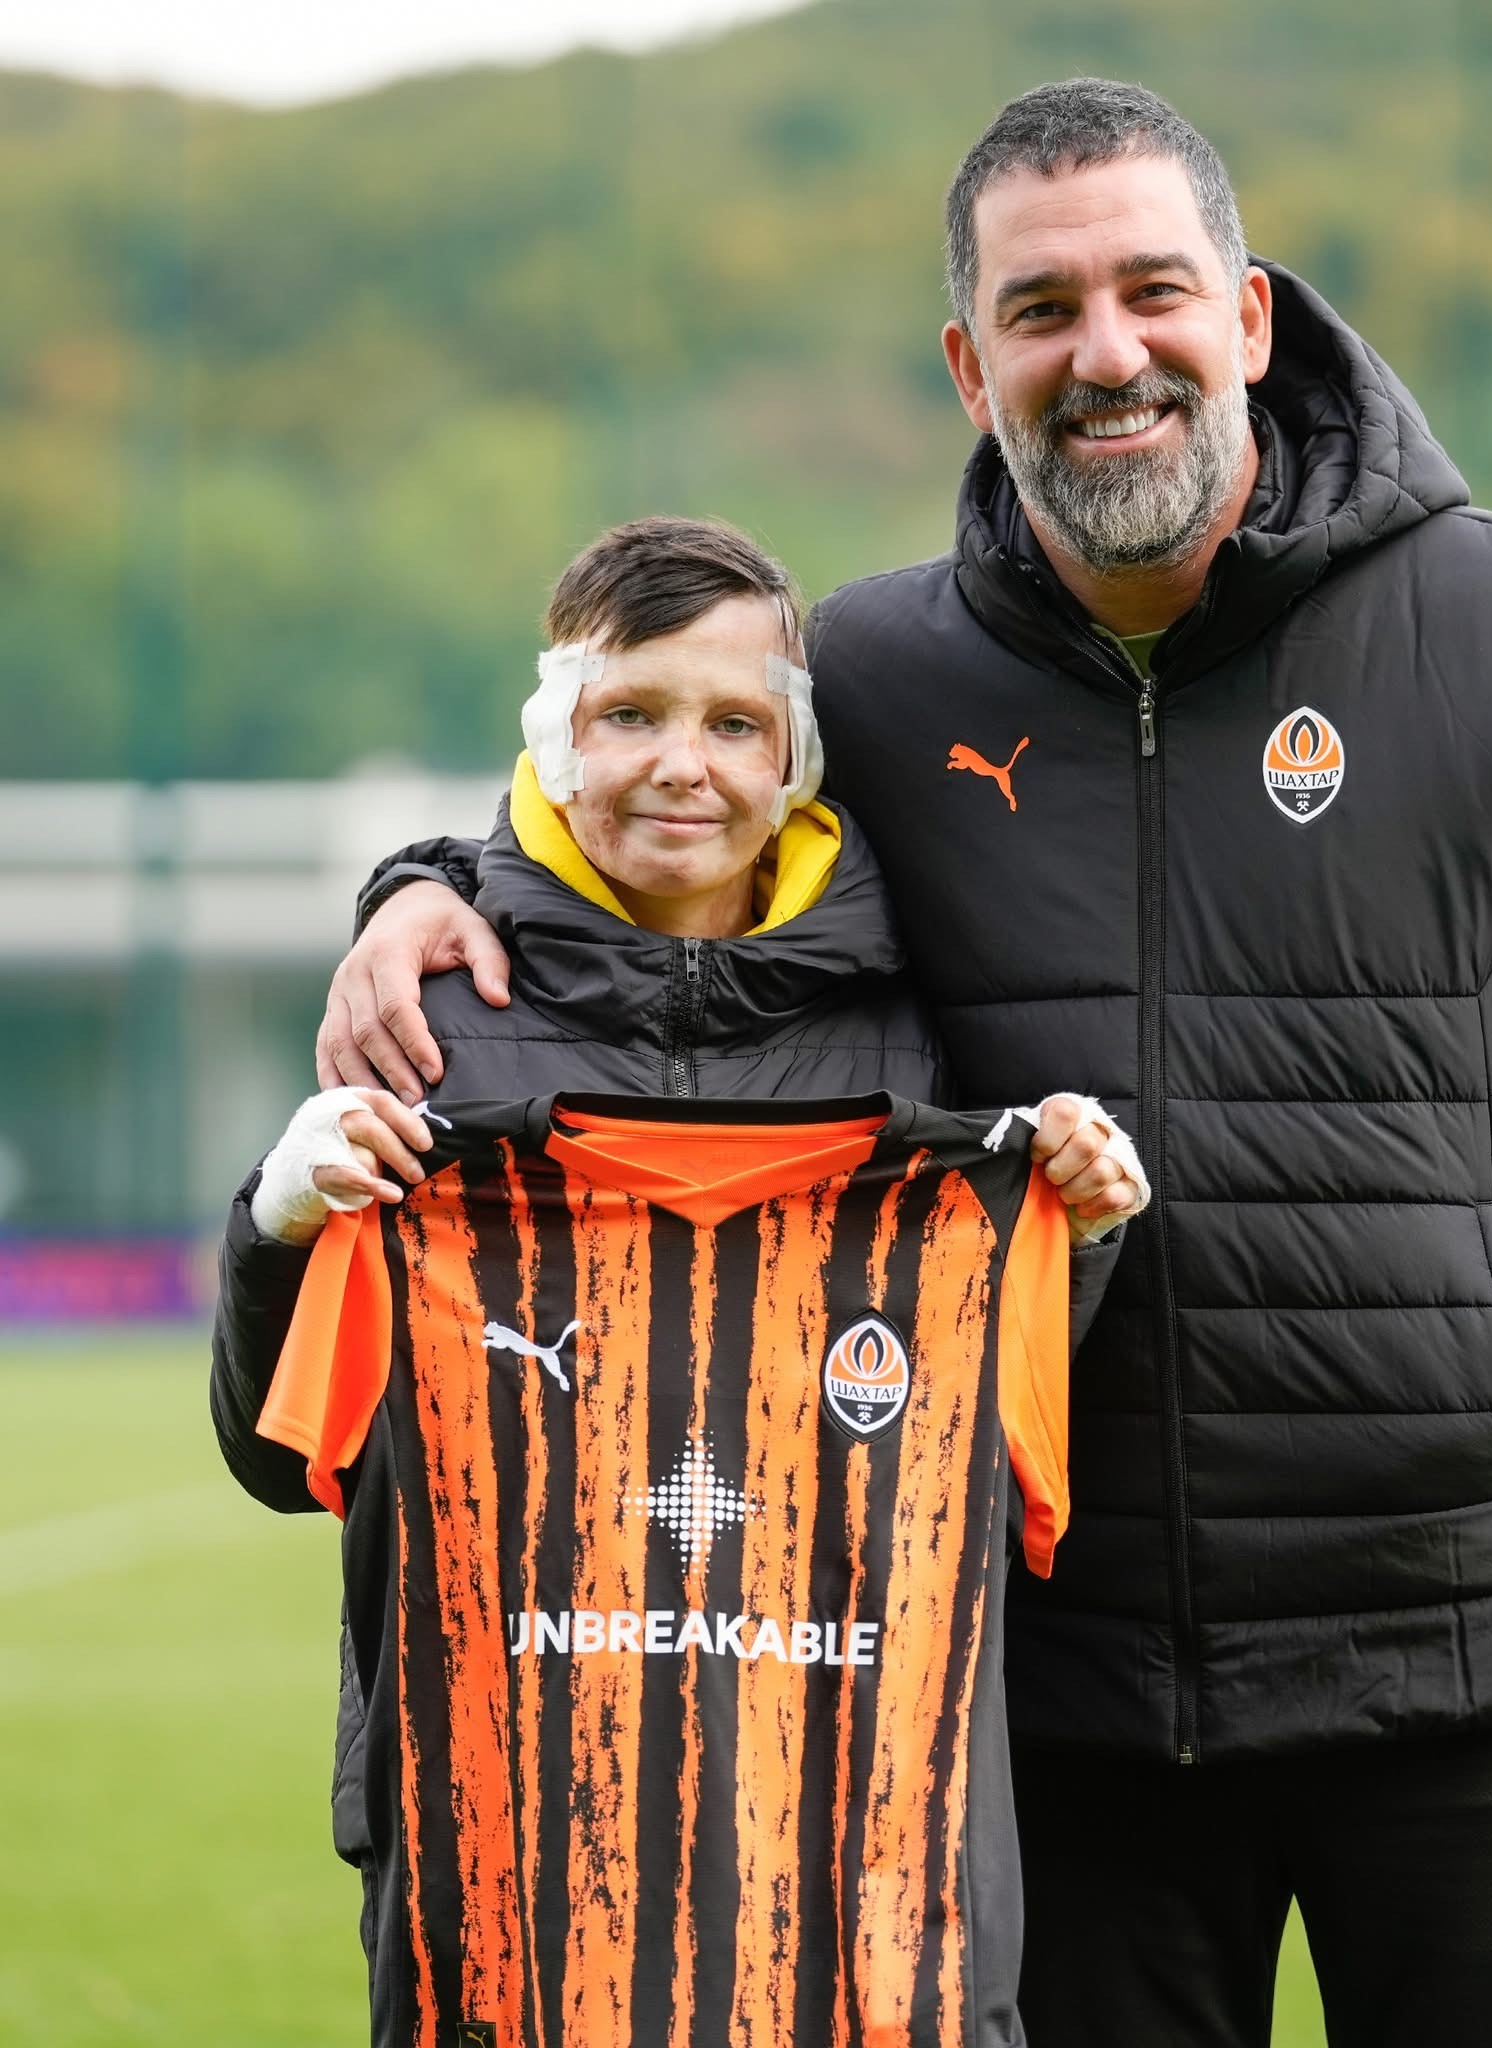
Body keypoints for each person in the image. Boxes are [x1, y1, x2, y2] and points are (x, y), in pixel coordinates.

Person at [314, 81, 1492, 2048]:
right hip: (1046, 1698)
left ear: (1250, 317)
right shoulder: (867, 682)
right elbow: (641, 823)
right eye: (1040, 311)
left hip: (1469, 1654)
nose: (1103, 355)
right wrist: (427, 882)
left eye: (1149, 291)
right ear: (970, 362)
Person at [209, 514, 1148, 1998]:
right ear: (557, 736)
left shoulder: (933, 1007)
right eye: (629, 714)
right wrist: (284, 1215)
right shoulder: (430, 1028)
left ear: (797, 756)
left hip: (863, 1849)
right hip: (511, 1853)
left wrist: (1071, 1231)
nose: (681, 764)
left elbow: (983, 1401)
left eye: (732, 721)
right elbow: (279, 1456)